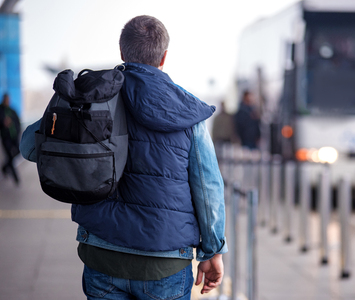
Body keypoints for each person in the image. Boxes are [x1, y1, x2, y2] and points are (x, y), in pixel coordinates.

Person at [20, 15, 227, 299]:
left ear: (122, 53)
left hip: (102, 253)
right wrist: (213, 250)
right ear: (164, 57)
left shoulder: (90, 96)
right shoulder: (188, 112)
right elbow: (208, 190)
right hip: (164, 261)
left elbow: (29, 148)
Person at [0, 93, 20, 185]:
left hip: (14, 136)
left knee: (17, 152)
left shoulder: (12, 111)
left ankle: (5, 167)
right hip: (6, 137)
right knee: (9, 156)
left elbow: (17, 122)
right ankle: (16, 178)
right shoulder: (1, 110)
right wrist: (3, 123)